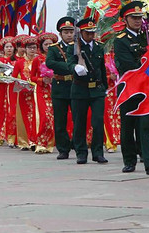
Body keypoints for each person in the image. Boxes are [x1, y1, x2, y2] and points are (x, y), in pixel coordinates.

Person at [114, 0, 149, 175]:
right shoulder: (120, 40)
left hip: (147, 88)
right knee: (128, 126)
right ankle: (129, 160)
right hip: (129, 88)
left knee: (147, 124)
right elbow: (127, 65)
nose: (137, 21)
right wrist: (147, 61)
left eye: (139, 17)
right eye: (133, 18)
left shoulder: (147, 36)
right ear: (125, 19)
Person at [69, 14, 108, 164]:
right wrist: (75, 67)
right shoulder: (74, 47)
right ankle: (81, 152)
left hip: (97, 89)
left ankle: (98, 152)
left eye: (93, 32)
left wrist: (105, 86)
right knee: (79, 122)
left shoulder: (98, 47)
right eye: (88, 33)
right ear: (81, 33)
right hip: (80, 89)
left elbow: (101, 68)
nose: (91, 35)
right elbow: (69, 64)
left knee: (98, 121)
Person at [46, 17, 77, 160]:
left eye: (71, 31)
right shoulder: (54, 48)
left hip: (76, 86)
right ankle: (63, 149)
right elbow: (50, 63)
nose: (69, 34)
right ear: (60, 34)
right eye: (66, 32)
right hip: (59, 87)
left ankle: (77, 145)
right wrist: (71, 67)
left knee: (78, 118)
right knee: (60, 121)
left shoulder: (78, 47)